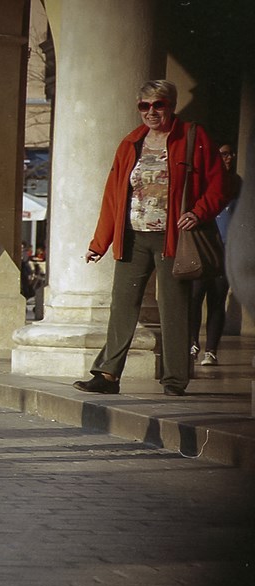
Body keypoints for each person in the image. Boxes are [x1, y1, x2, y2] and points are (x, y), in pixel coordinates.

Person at [73, 80, 226, 397]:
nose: (152, 112)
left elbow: (219, 185)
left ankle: (174, 379)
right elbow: (113, 197)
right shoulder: (131, 143)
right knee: (122, 306)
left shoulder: (193, 139)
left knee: (174, 309)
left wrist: (198, 211)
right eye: (145, 106)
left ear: (171, 105)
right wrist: (99, 243)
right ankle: (107, 375)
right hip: (133, 236)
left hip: (174, 239)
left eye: (159, 105)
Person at [189, 142, 241, 366]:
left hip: (227, 251)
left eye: (229, 154)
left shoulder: (238, 184)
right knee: (194, 298)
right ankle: (192, 343)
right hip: (204, 249)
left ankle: (211, 350)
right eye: (221, 154)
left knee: (217, 300)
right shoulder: (203, 182)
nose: (226, 158)